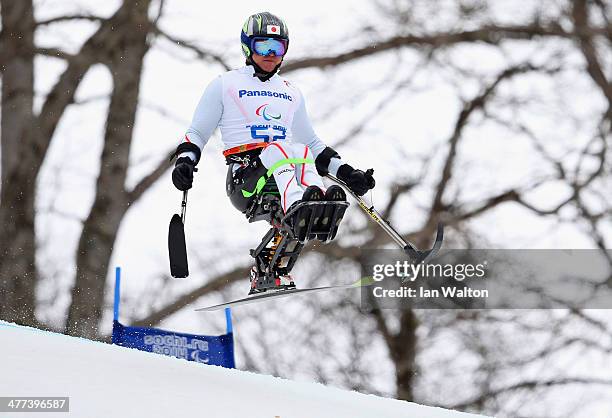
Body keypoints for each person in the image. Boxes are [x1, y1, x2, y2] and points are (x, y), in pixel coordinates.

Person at [171, 12, 375, 292]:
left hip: (282, 175)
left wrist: (348, 173)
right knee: (279, 147)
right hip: (245, 181)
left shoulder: (291, 92)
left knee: (300, 149)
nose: (270, 54)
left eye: (277, 48)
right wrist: (184, 162)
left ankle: (274, 264)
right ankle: (297, 203)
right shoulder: (225, 85)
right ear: (247, 47)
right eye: (262, 46)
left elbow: (314, 146)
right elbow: (196, 133)